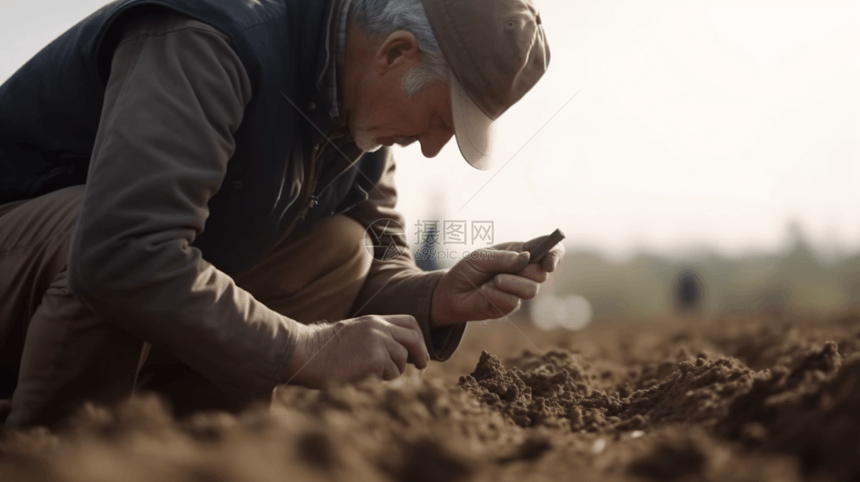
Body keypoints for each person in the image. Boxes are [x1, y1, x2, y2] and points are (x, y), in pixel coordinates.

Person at [0, 0, 562, 428]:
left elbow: (378, 255)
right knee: (105, 225)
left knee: (341, 250)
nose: (434, 146)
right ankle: (56, 450)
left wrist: (437, 296)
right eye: (442, 117)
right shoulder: (214, 38)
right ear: (396, 53)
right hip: (29, 265)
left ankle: (184, 445)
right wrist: (299, 348)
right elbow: (121, 252)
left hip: (87, 286)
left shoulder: (362, 117)